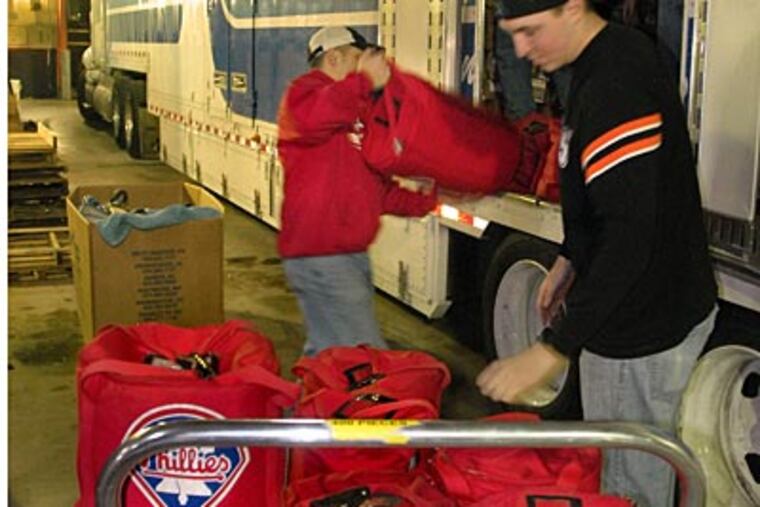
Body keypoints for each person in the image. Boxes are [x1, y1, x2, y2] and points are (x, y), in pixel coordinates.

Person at [476, 1, 717, 506]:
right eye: (512, 35)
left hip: (643, 325)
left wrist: (550, 349)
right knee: (617, 467)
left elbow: (630, 237)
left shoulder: (616, 82)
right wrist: (570, 258)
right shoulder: (597, 63)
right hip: (635, 312)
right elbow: (605, 195)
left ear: (573, 7)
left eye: (529, 31)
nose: (520, 49)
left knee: (630, 484)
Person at [276, 26, 438, 356]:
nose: (364, 66)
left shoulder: (354, 112)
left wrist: (431, 200)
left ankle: (304, 406)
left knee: (329, 359)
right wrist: (364, 81)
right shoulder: (304, 95)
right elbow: (315, 117)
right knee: (363, 359)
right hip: (323, 256)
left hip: (347, 256)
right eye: (356, 58)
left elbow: (378, 191)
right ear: (333, 57)